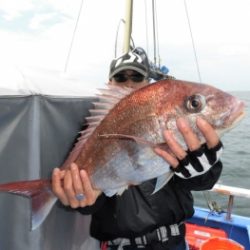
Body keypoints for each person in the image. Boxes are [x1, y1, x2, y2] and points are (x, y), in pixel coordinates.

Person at [52, 48, 223, 250]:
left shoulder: (176, 125)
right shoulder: (94, 132)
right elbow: (87, 200)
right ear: (110, 84)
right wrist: (79, 197)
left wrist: (206, 168)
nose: (129, 82)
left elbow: (203, 181)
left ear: (148, 84)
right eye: (120, 77)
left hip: (173, 243)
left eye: (137, 76)